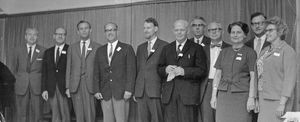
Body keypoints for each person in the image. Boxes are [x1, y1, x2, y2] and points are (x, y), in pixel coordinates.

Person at [158, 19, 207, 122]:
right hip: (169, 94)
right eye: (177, 30)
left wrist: (184, 71)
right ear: (173, 31)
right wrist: (165, 69)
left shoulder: (197, 48)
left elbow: (202, 71)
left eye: (182, 30)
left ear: (187, 31)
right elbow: (159, 68)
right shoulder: (166, 48)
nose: (179, 32)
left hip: (188, 95)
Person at [210, 21, 257, 122]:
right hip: (223, 96)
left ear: (245, 35)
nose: (235, 35)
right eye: (233, 32)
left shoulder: (250, 52)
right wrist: (214, 96)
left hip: (242, 96)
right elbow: (217, 75)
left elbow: (254, 77)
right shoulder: (224, 52)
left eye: (239, 32)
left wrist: (251, 97)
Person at [256, 16, 296, 122]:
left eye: (270, 30)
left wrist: (282, 103)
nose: (267, 33)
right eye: (266, 30)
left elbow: (290, 79)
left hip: (278, 100)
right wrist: (256, 98)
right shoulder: (265, 50)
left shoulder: (288, 51)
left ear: (280, 31)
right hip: (263, 98)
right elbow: (259, 75)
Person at [94, 22, 136, 122]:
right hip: (105, 93)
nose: (110, 32)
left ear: (117, 31)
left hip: (122, 93)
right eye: (107, 30)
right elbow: (96, 71)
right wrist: (96, 90)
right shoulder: (100, 50)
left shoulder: (127, 48)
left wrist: (129, 90)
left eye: (112, 29)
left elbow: (131, 70)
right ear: (105, 33)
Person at [65, 20, 101, 122]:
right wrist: (68, 87)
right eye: (81, 29)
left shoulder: (98, 47)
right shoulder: (72, 47)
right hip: (75, 85)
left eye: (86, 28)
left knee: (90, 115)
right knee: (78, 116)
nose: (84, 30)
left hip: (91, 85)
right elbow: (69, 67)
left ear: (90, 30)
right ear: (78, 32)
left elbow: (99, 69)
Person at [134, 17, 168, 122]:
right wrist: (136, 91)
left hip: (156, 92)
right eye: (144, 28)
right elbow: (137, 70)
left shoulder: (165, 46)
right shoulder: (140, 47)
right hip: (141, 92)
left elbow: (166, 72)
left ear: (156, 29)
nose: (145, 30)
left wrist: (164, 91)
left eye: (148, 27)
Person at [199, 22, 230, 122]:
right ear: (207, 32)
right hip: (207, 85)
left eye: (217, 29)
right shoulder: (201, 49)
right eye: (211, 30)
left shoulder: (229, 48)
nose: (214, 32)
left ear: (222, 31)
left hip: (224, 85)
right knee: (207, 117)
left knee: (223, 116)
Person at [13, 27, 46, 122]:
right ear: (25, 36)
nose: (32, 37)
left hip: (37, 86)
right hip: (21, 86)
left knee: (37, 114)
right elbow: (13, 68)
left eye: (34, 34)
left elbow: (44, 71)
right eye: (29, 34)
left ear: (37, 37)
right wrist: (19, 81)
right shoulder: (17, 50)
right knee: (21, 113)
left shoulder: (43, 50)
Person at [41, 27, 70, 122]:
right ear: (54, 36)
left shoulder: (70, 50)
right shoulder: (48, 52)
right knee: (55, 116)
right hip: (51, 88)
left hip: (65, 88)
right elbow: (44, 72)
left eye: (63, 34)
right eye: (58, 34)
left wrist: (69, 87)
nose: (60, 36)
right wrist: (44, 89)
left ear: (65, 36)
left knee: (65, 115)